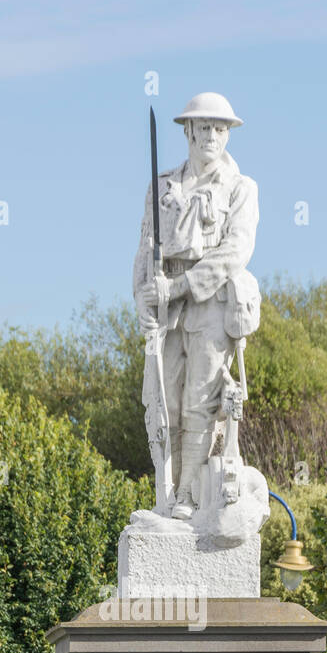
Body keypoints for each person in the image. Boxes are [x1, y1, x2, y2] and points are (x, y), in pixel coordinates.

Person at [133, 92, 260, 521]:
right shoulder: (161, 186)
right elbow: (145, 249)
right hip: (167, 308)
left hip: (209, 303)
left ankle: (188, 493)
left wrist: (182, 286)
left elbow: (234, 253)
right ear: (187, 131)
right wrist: (143, 300)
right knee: (164, 399)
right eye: (203, 127)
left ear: (228, 135)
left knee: (200, 401)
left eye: (219, 128)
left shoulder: (242, 189)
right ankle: (164, 494)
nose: (210, 135)